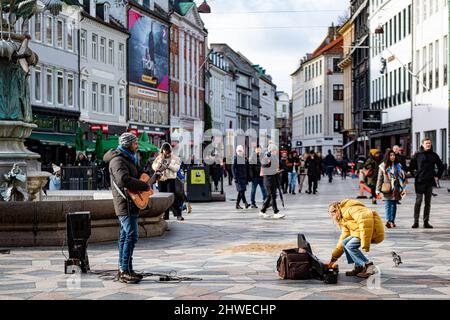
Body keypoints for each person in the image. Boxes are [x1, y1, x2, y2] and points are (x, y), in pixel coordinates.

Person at [104, 133, 151, 284]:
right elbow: (124, 180)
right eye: (135, 143)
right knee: (131, 235)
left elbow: (138, 174)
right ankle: (124, 270)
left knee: (126, 236)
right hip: (125, 203)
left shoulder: (129, 157)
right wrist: (144, 185)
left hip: (131, 202)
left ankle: (127, 269)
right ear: (127, 144)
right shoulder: (117, 160)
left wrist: (149, 175)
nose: (137, 145)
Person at [328, 199, 384, 278]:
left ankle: (368, 265)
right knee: (344, 243)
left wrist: (365, 243)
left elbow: (365, 222)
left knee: (350, 246)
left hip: (372, 231)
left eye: (332, 215)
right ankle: (359, 267)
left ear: (336, 210)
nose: (333, 217)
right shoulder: (343, 217)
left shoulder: (350, 210)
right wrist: (334, 257)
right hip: (360, 232)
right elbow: (344, 236)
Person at [409, 137, 444, 229]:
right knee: (418, 201)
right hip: (419, 181)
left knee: (428, 202)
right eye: (426, 143)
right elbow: (411, 167)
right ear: (422, 144)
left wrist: (437, 175)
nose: (428, 144)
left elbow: (441, 166)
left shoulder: (434, 155)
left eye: (429, 143)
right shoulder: (417, 155)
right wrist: (415, 174)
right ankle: (415, 221)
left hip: (429, 182)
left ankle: (426, 222)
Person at [152, 143, 184, 221]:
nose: (166, 154)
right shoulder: (159, 157)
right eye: (164, 152)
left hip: (170, 179)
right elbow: (153, 166)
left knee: (172, 197)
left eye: (167, 152)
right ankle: (165, 215)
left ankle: (178, 214)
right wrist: (158, 165)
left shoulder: (175, 158)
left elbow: (177, 168)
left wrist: (168, 165)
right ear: (162, 151)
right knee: (163, 198)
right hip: (161, 179)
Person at [376, 149, 406, 229]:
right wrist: (377, 189)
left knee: (394, 205)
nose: (392, 157)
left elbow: (402, 177)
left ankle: (392, 220)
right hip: (387, 188)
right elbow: (380, 178)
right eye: (391, 155)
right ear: (387, 156)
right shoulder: (383, 166)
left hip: (396, 188)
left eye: (393, 155)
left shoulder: (398, 165)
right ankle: (389, 221)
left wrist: (403, 187)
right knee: (388, 205)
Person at [259, 144, 285, 219]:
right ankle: (276, 212)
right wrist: (275, 170)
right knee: (272, 196)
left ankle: (262, 211)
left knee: (269, 196)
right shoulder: (266, 158)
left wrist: (278, 170)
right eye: (275, 150)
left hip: (273, 179)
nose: (276, 151)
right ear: (271, 150)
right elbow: (265, 168)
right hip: (269, 180)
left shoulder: (273, 157)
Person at [232, 145, 250, 210]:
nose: (240, 152)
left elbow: (246, 168)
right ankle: (245, 203)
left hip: (244, 177)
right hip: (238, 178)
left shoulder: (244, 158)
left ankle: (237, 205)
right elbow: (233, 168)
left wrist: (248, 177)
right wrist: (235, 177)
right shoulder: (235, 158)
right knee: (241, 191)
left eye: (241, 150)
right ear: (237, 151)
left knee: (241, 191)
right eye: (238, 151)